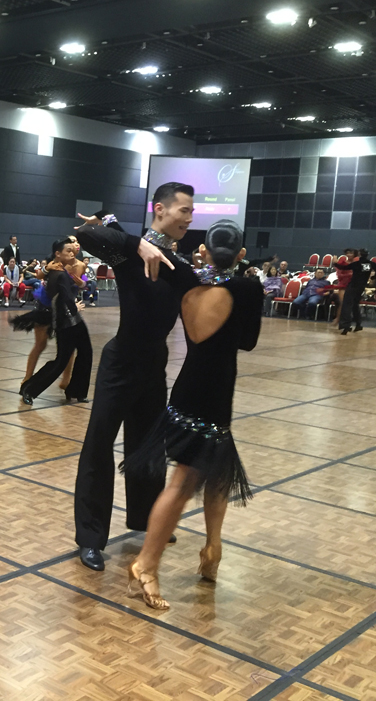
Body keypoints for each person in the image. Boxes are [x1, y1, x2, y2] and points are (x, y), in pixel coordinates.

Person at [122, 220, 260, 610]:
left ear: (203, 251)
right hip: (215, 395)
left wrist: (120, 230)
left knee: (218, 471)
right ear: (241, 253)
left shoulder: (185, 279)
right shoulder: (247, 288)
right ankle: (145, 565)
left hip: (186, 392)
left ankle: (213, 549)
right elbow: (248, 342)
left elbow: (136, 245)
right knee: (183, 484)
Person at [72, 182, 194, 572]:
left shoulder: (178, 266)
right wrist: (137, 244)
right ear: (160, 209)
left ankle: (146, 518)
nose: (189, 219)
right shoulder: (130, 253)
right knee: (98, 446)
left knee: (147, 447)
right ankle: (90, 537)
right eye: (184, 211)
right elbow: (84, 235)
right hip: (120, 363)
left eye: (191, 212)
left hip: (154, 365)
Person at [18, 238, 93, 405]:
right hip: (64, 322)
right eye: (68, 250)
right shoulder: (56, 273)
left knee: (86, 353)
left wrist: (82, 286)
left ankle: (77, 391)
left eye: (73, 249)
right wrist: (74, 307)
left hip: (75, 320)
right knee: (60, 360)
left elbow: (77, 287)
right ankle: (29, 388)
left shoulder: (68, 269)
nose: (72, 252)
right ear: (58, 254)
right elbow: (60, 297)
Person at [336, 248, 371, 335]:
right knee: (355, 304)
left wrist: (335, 263)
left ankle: (346, 326)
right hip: (361, 287)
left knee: (347, 305)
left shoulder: (356, 264)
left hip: (353, 286)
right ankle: (358, 324)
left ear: (359, 254)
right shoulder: (371, 264)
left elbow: (343, 267)